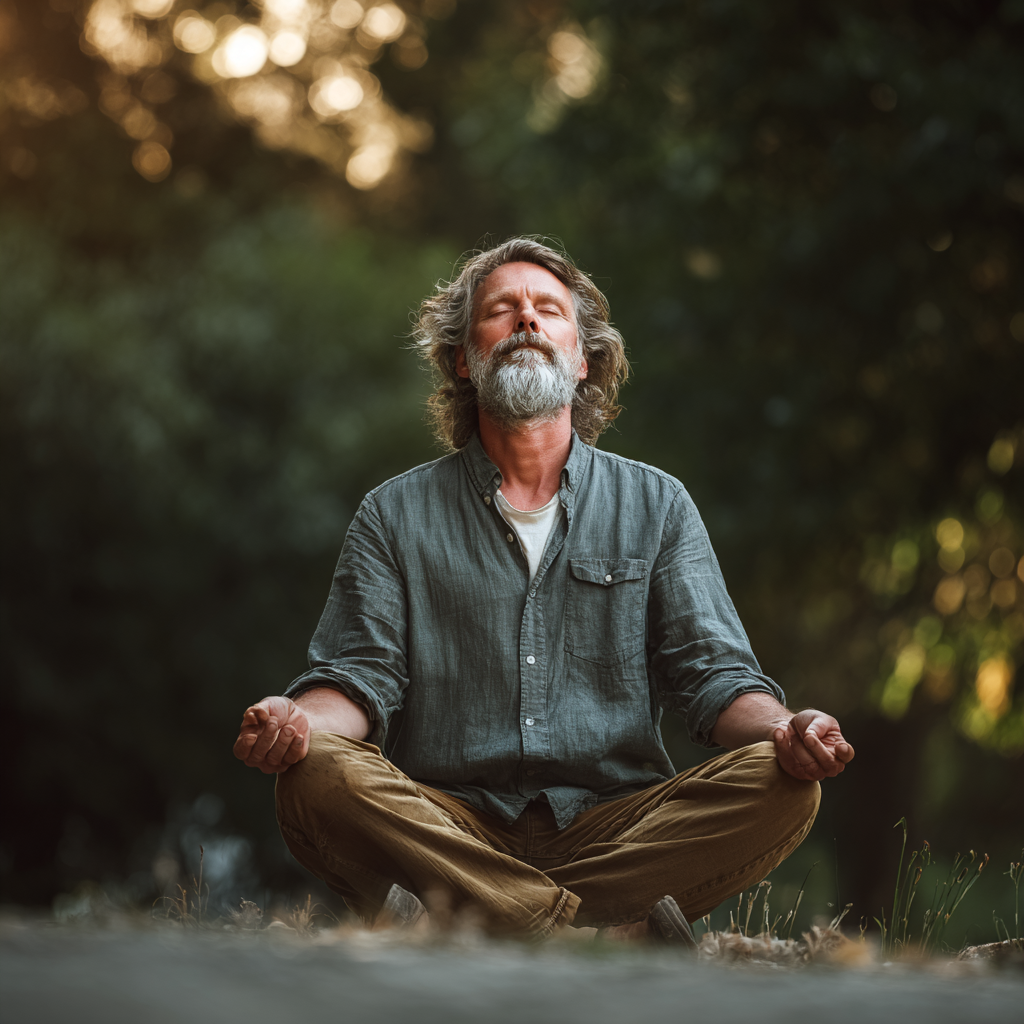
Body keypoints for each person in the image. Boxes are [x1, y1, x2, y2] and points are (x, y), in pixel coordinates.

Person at [232, 238, 854, 941]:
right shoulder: (393, 514)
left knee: (784, 786)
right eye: (502, 310)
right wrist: (296, 723)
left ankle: (480, 919)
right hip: (446, 826)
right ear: (464, 360)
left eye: (548, 310)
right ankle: (591, 933)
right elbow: (356, 679)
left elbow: (713, 677)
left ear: (582, 358)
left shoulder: (658, 504)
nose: (526, 320)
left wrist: (786, 730)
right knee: (314, 775)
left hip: (619, 825)